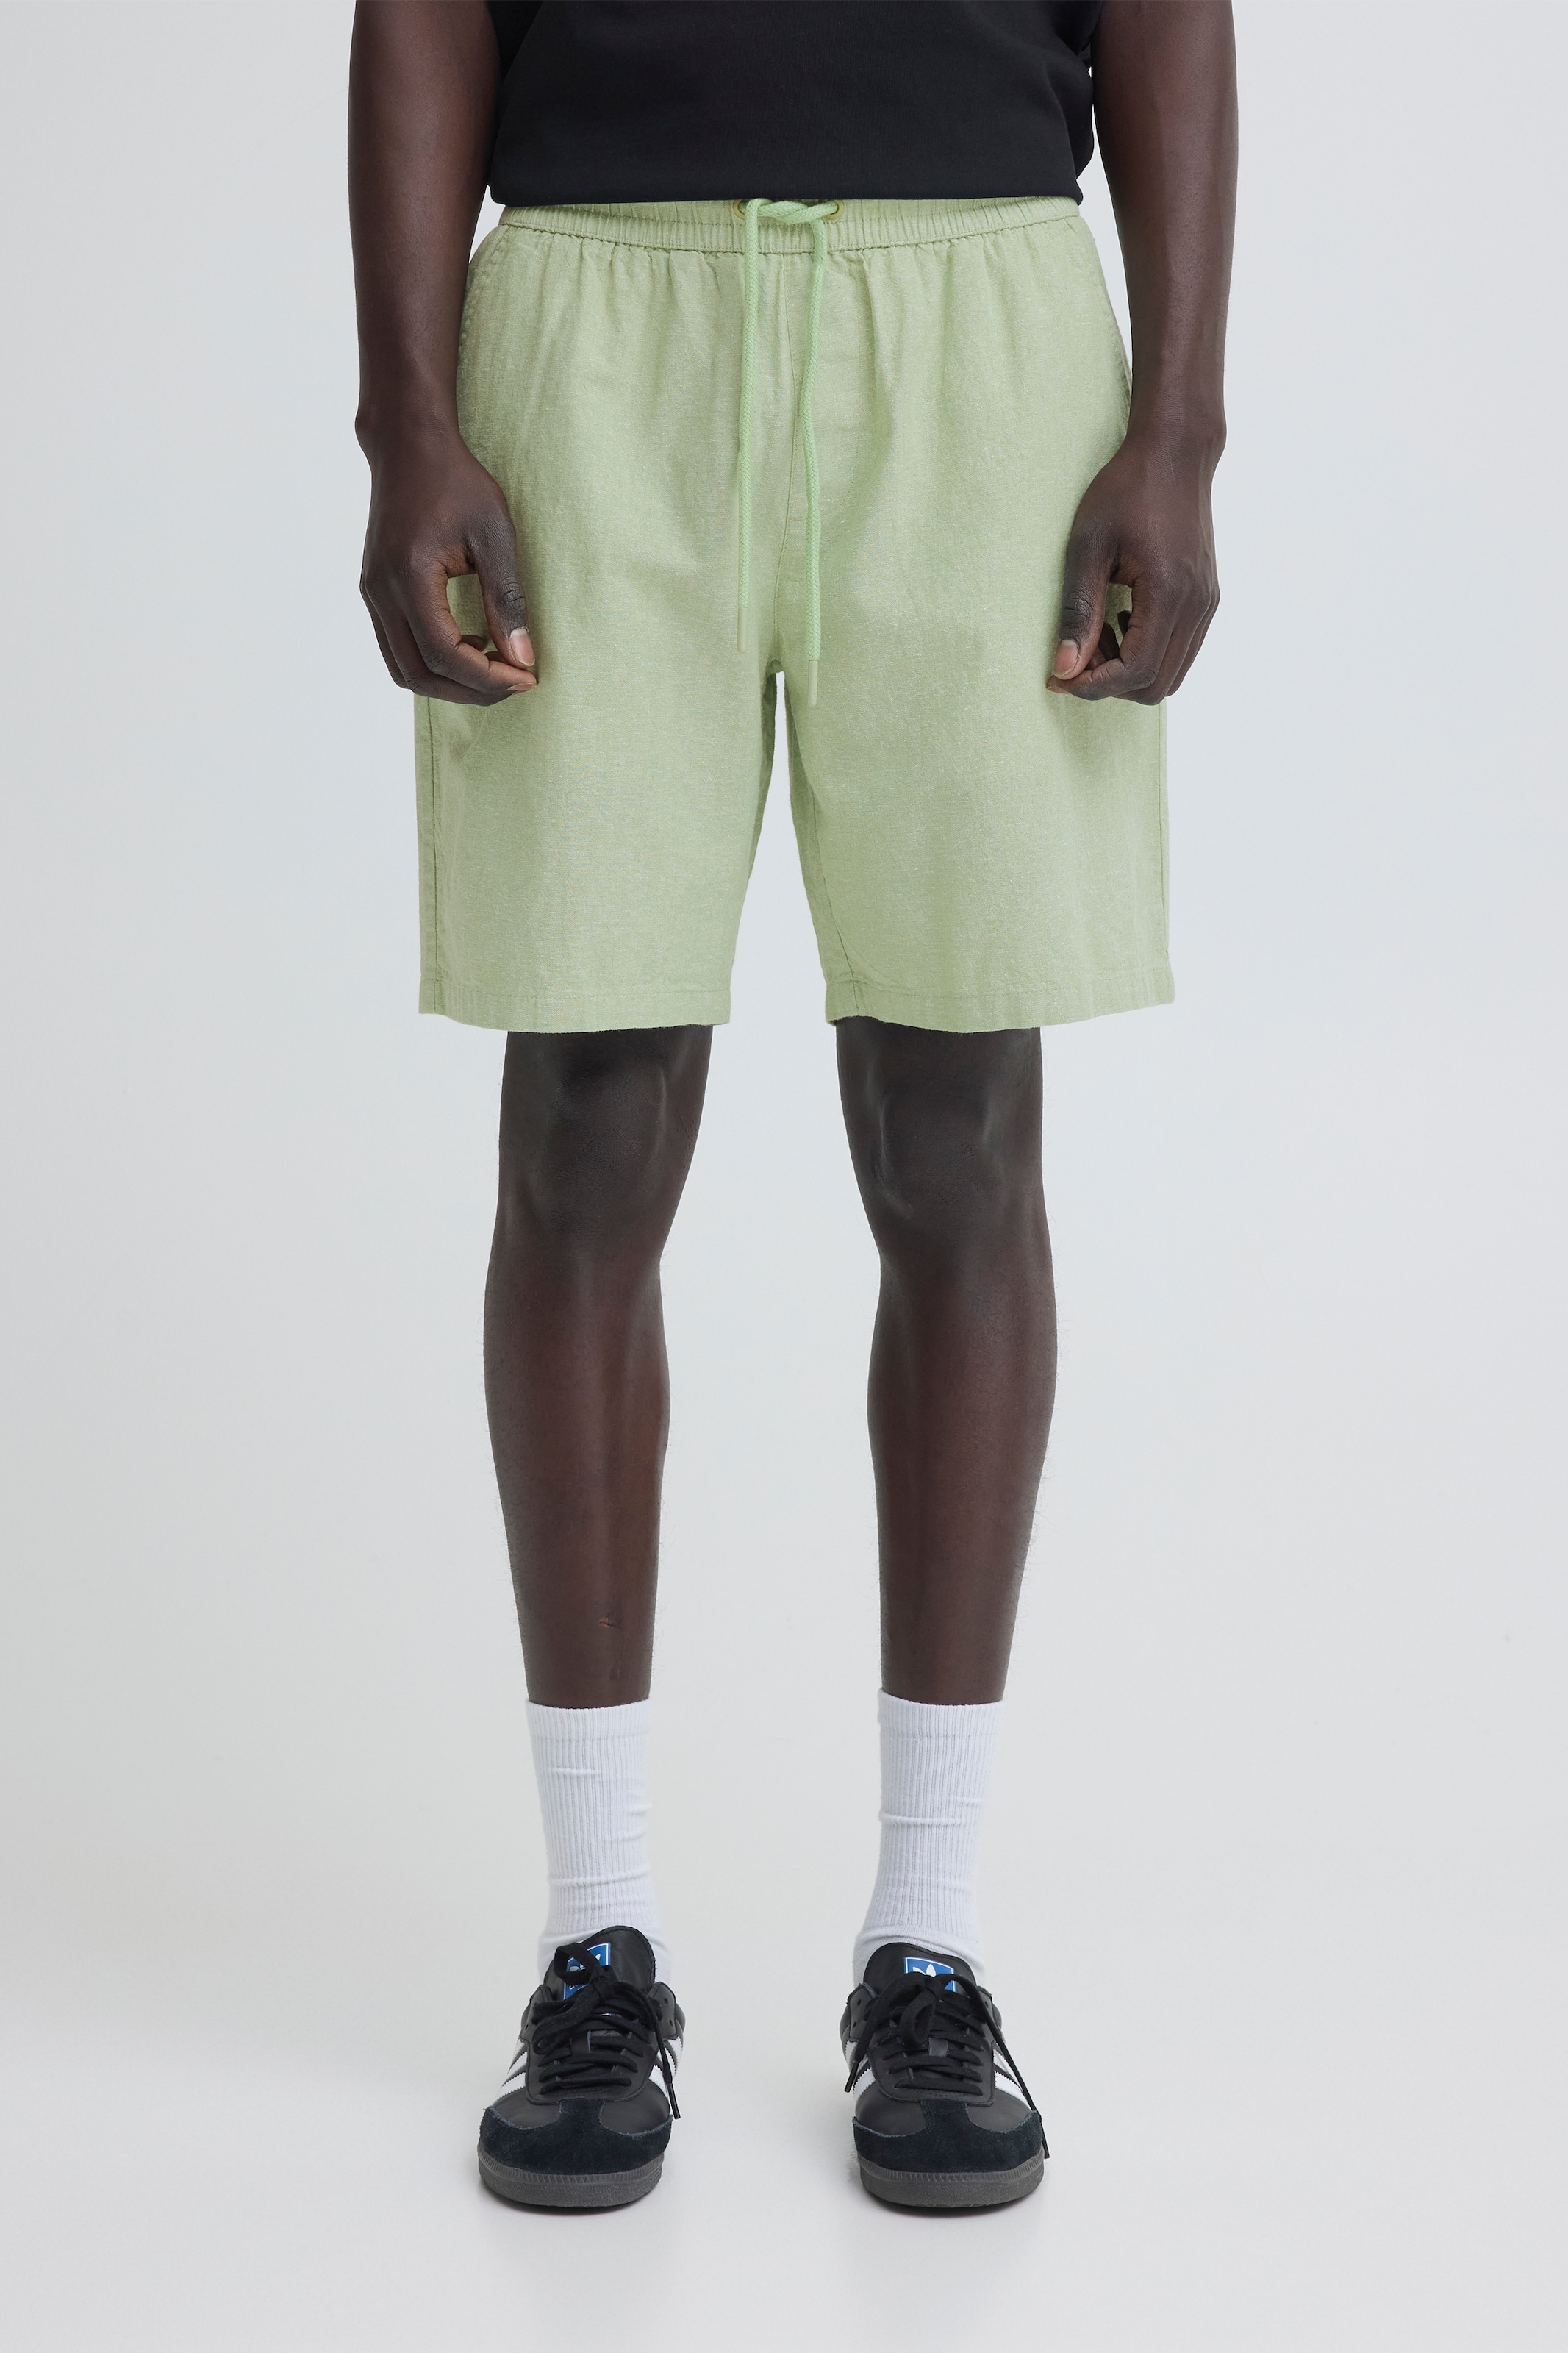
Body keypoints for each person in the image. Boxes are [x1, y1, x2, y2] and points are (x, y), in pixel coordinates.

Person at [348, 0, 1236, 2214]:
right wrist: (408, 422)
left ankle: (928, 1941)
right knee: (583, 1114)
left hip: (983, 331)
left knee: (959, 1124)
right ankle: (596, 1943)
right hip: (591, 327)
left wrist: (1180, 430)